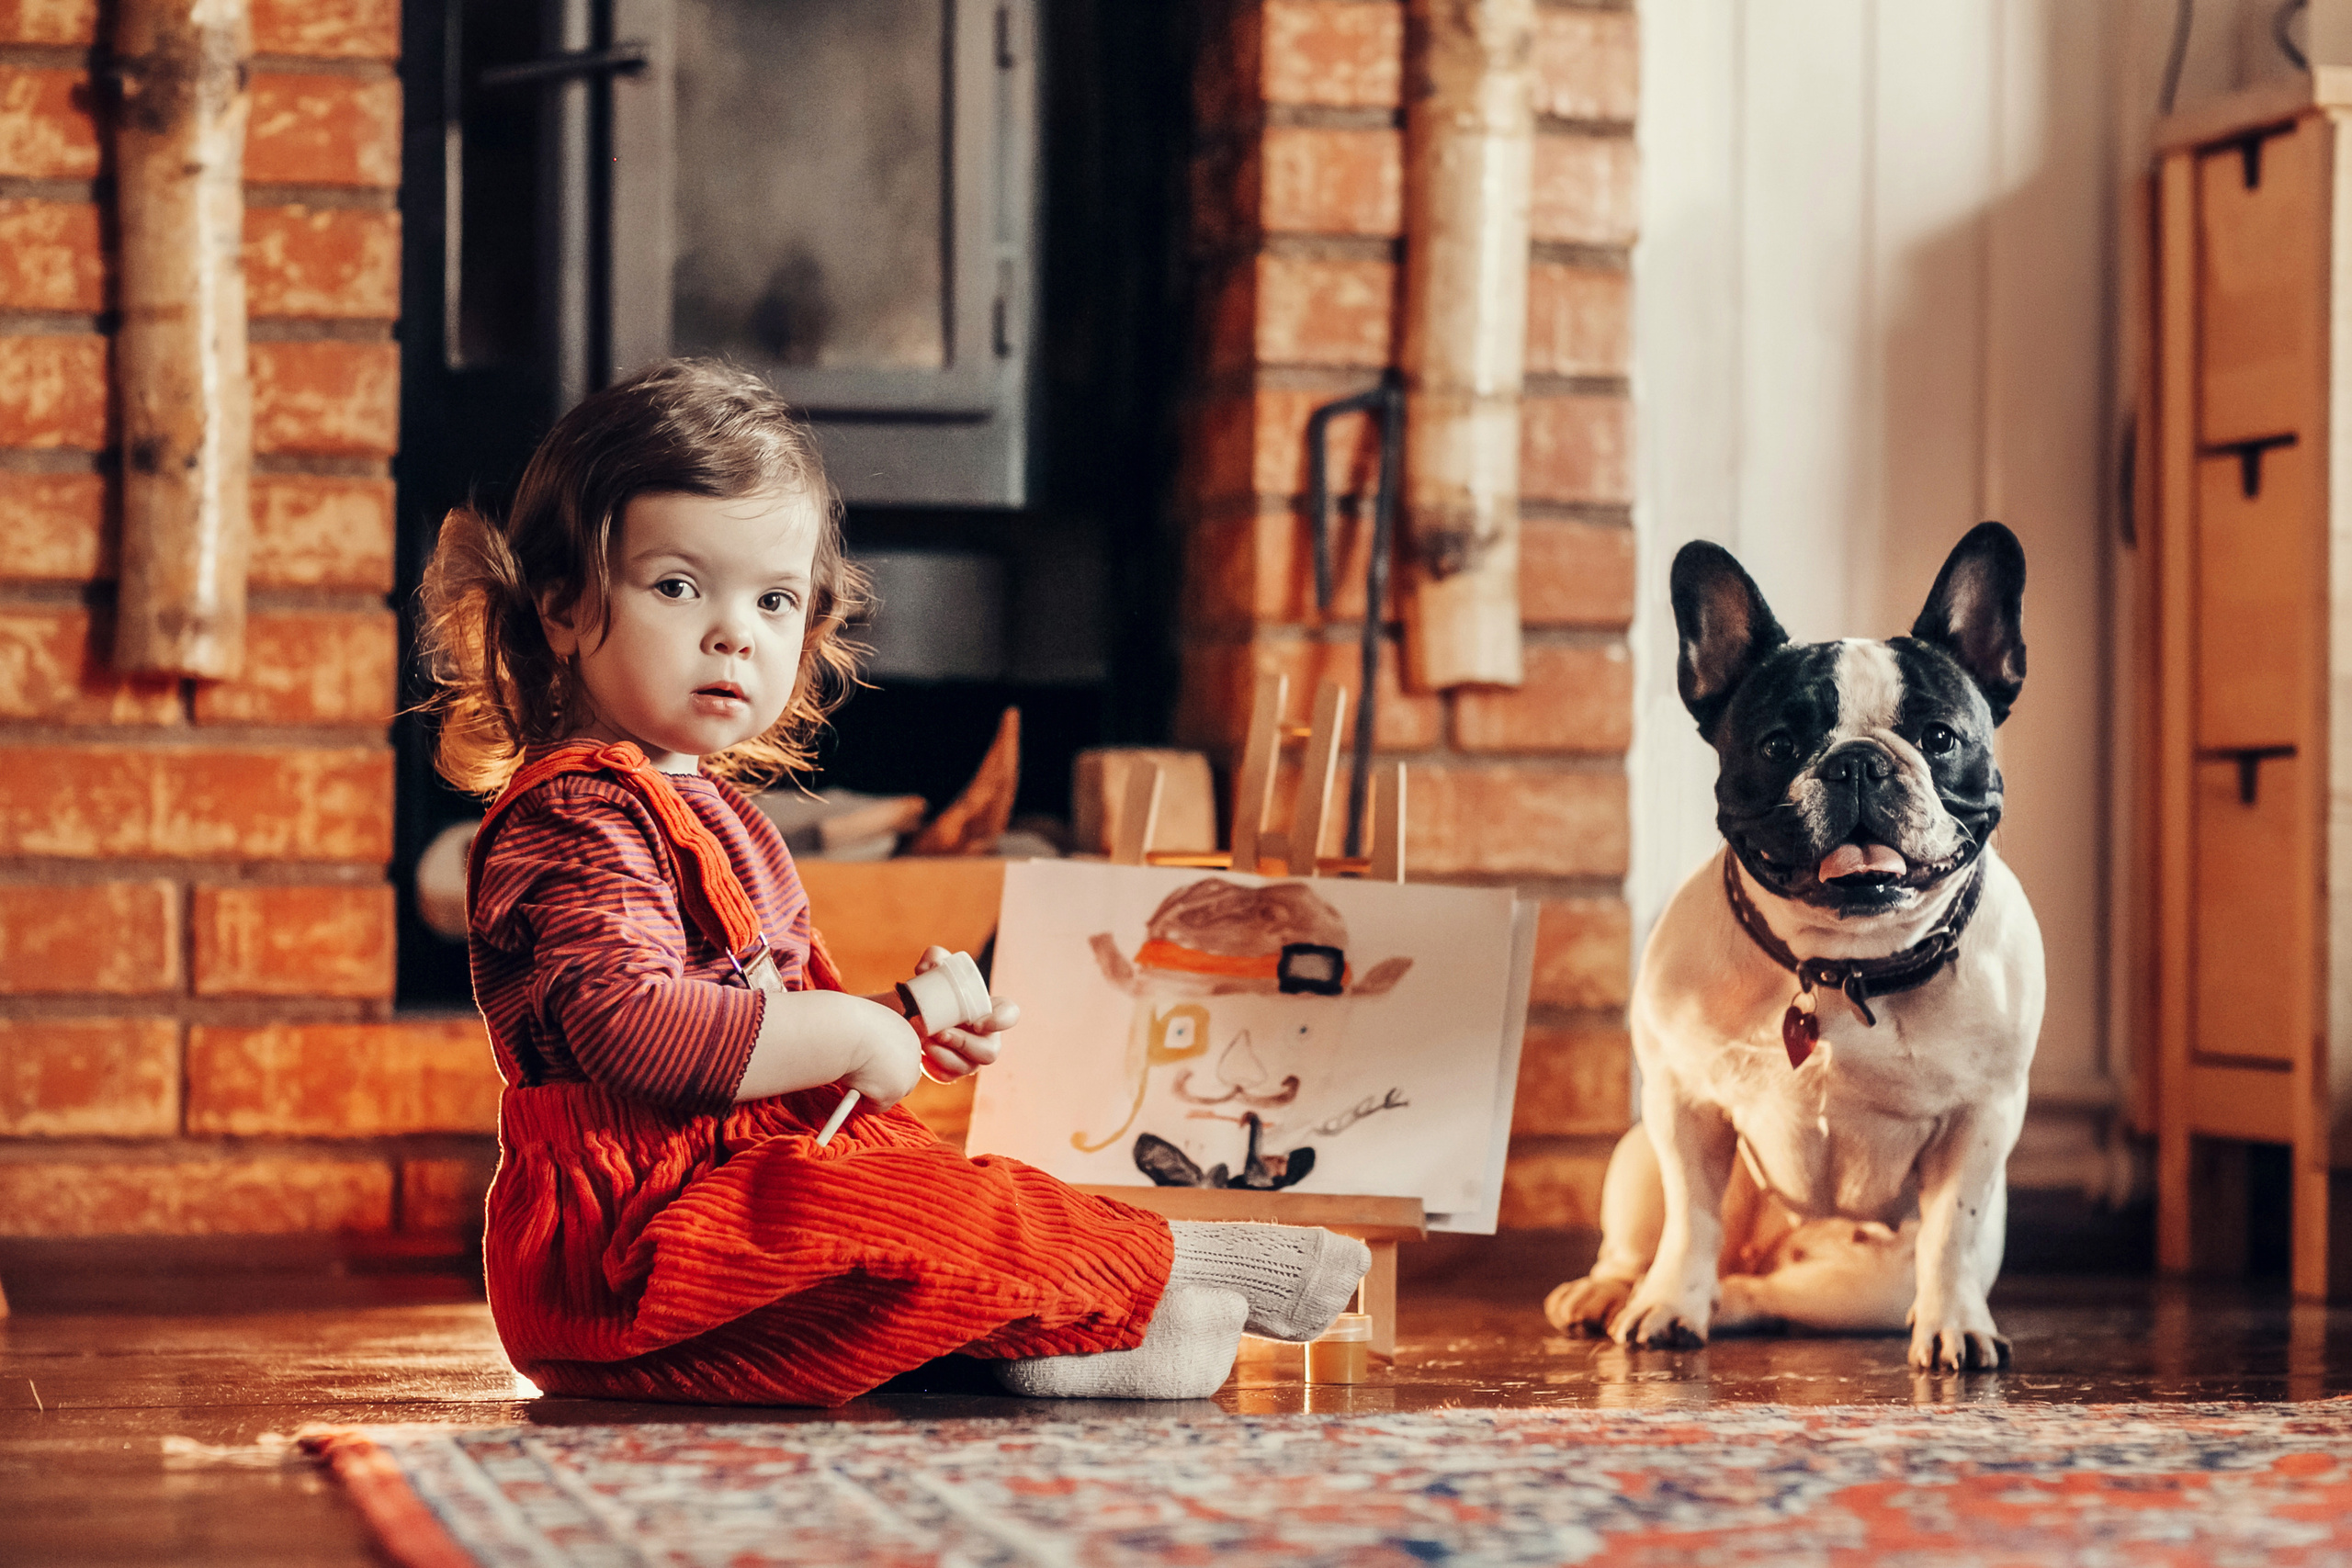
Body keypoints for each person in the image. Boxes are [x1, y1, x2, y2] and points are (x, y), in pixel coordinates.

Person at [416, 359, 1368, 1404]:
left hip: (732, 1194)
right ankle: (1168, 1271)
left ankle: (1065, 1328)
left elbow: (750, 1031)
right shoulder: (575, 813)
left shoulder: (715, 811)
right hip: (632, 1256)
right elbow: (630, 1027)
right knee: (909, 1217)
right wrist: (849, 1036)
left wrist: (894, 1026)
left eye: (774, 599)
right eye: (678, 585)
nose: (735, 631)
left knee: (939, 1194)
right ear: (559, 604)